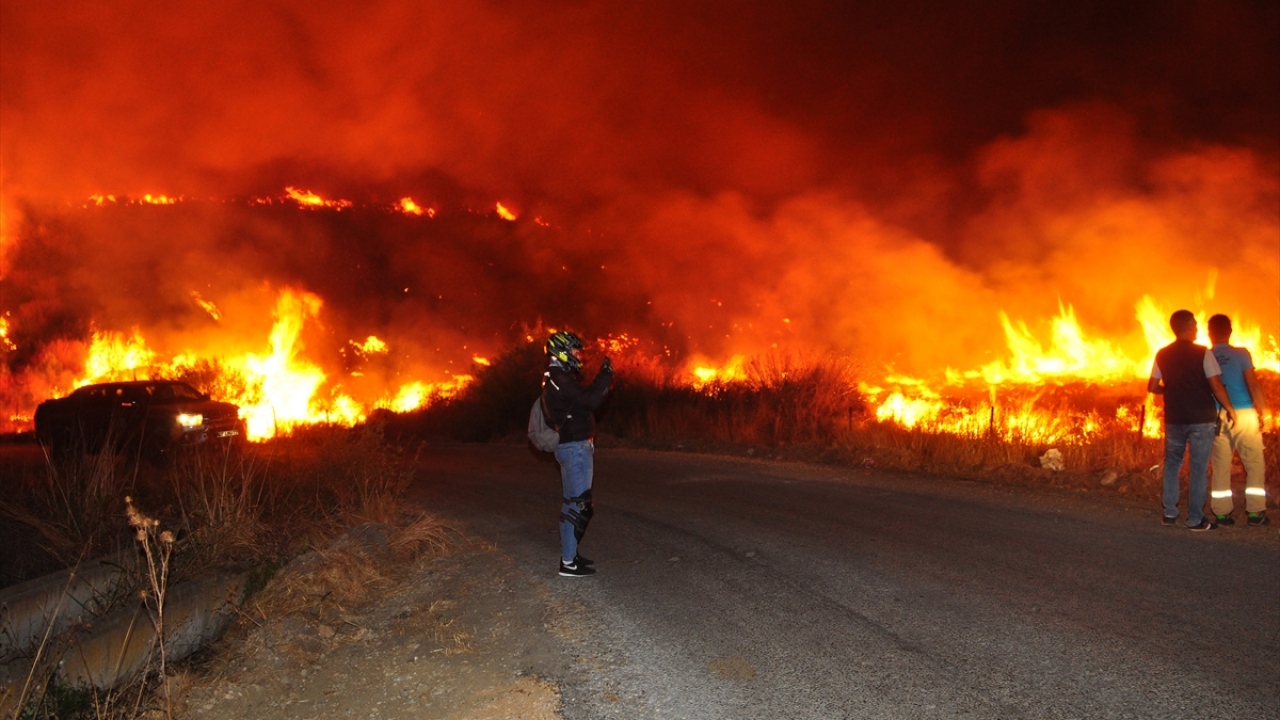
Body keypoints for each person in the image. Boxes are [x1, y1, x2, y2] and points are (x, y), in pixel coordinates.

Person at [1148, 310, 1236, 531]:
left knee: (1172, 464)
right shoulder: (1203, 353)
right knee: (1198, 468)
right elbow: (1216, 386)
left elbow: (1151, 387)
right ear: (1187, 326)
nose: (1197, 328)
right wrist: (1230, 409)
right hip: (1201, 420)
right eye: (1195, 324)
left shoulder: (1162, 354)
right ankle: (1196, 519)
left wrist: (1169, 390)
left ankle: (1169, 513)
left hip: (1174, 419)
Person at [542, 331, 613, 577]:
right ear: (561, 351)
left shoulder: (554, 376)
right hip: (574, 448)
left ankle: (571, 557)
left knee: (573, 503)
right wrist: (605, 376)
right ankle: (568, 563)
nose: (577, 355)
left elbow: (582, 401)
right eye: (573, 351)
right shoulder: (560, 377)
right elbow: (591, 400)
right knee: (579, 505)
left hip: (572, 446)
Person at [1207, 314, 1271, 526]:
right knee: (1253, 463)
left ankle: (1222, 513)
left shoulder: (1205, 357)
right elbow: (1253, 384)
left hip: (1217, 417)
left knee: (1221, 465)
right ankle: (1255, 513)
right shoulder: (1242, 354)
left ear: (1209, 333)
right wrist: (1264, 411)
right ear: (1230, 331)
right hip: (1244, 414)